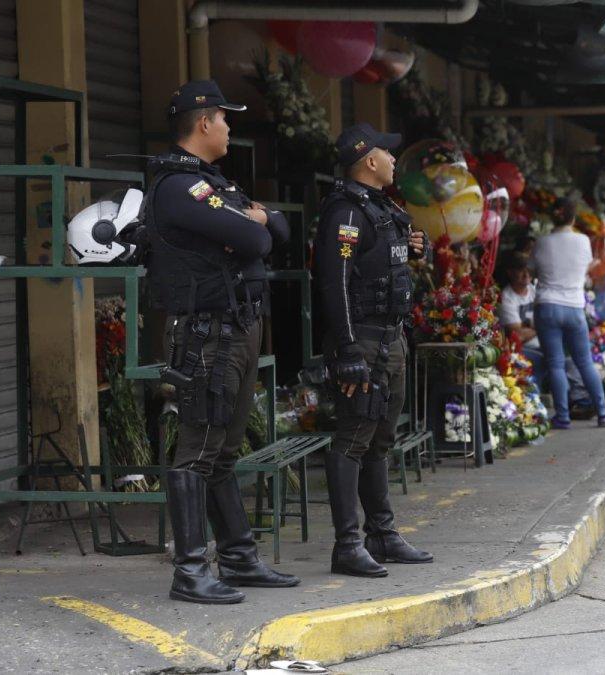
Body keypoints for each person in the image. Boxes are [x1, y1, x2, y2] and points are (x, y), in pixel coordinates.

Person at [148, 80, 298, 604]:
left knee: (224, 450)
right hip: (207, 334)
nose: (231, 127)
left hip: (236, 328)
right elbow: (258, 238)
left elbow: (276, 229)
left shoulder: (211, 182)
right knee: (199, 450)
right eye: (226, 118)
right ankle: (190, 571)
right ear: (205, 121)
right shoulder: (179, 186)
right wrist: (258, 224)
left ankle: (237, 558)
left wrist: (261, 221)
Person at [314, 123, 432, 578]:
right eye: (388, 152)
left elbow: (381, 262)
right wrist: (347, 350)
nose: (394, 159)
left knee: (381, 439)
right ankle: (347, 545)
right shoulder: (346, 212)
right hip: (363, 341)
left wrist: (414, 248)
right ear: (369, 160)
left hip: (390, 339)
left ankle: (381, 534)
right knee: (353, 439)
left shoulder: (380, 207)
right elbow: (335, 284)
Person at [530, 198, 605, 429]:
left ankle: (563, 416)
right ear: (573, 218)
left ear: (552, 217)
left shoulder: (541, 242)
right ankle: (603, 412)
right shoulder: (583, 240)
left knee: (555, 364)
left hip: (547, 306)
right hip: (574, 307)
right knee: (585, 362)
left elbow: (532, 270)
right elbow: (585, 267)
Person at [497, 255, 593, 416]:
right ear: (510, 272)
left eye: (528, 270)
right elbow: (517, 334)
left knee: (571, 357)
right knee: (546, 360)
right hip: (524, 348)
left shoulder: (535, 291)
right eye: (520, 270)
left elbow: (549, 322)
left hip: (546, 341)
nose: (526, 274)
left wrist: (536, 327)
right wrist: (544, 326)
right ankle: (540, 403)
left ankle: (579, 399)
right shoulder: (507, 297)